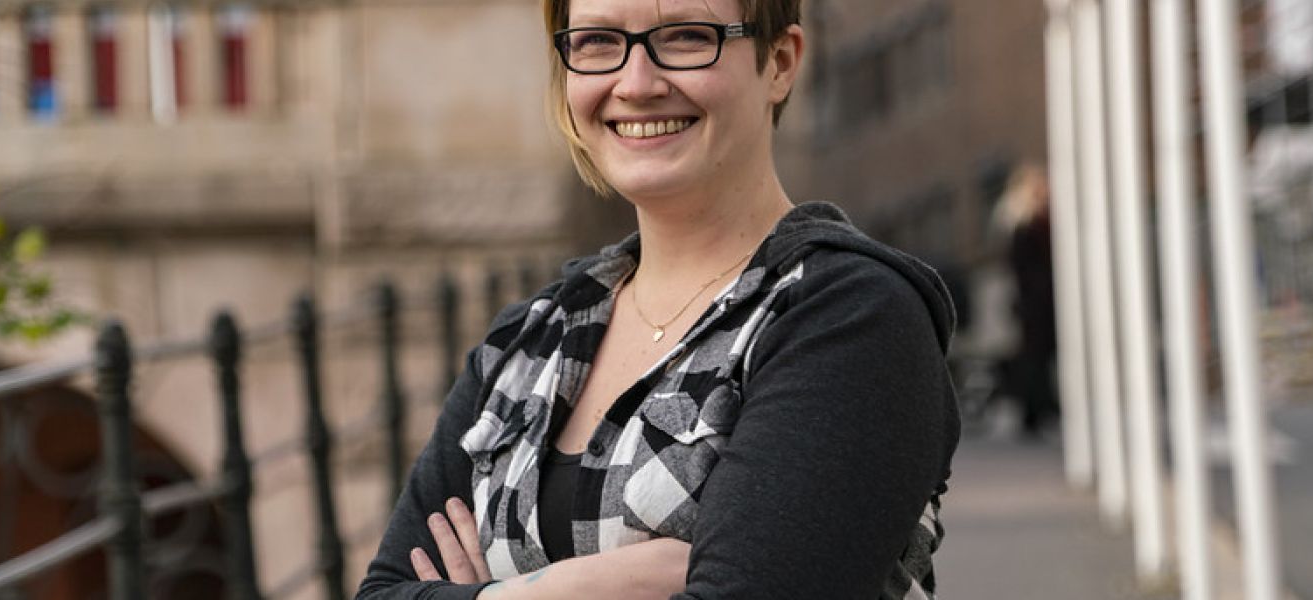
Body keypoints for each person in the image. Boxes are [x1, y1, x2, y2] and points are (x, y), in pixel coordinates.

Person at [356, 0, 960, 598]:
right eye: (597, 42)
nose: (637, 83)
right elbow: (380, 593)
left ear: (779, 62)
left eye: (687, 37)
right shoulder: (529, 341)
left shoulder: (852, 317)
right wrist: (557, 590)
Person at [992, 163, 1058, 438]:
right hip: (1037, 302)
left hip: (1034, 301)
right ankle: (1037, 412)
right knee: (1036, 357)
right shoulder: (1028, 225)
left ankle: (1034, 413)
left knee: (1035, 356)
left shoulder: (1026, 223)